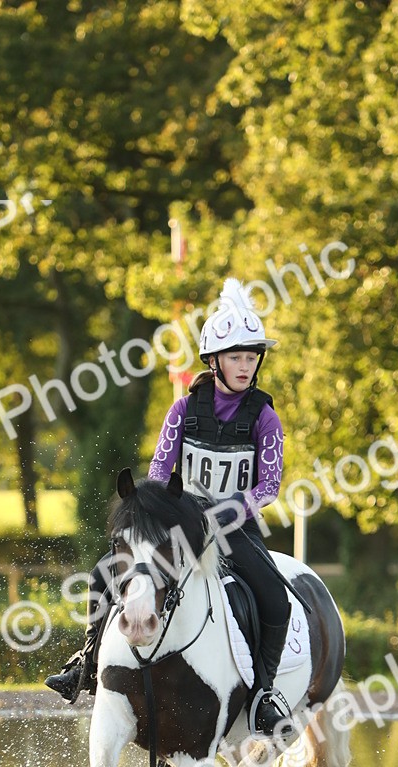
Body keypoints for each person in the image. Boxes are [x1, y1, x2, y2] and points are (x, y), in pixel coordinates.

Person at [46, 277, 291, 735]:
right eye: (236, 356)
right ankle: (86, 664)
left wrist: (221, 516)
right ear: (214, 361)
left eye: (251, 356)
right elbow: (160, 474)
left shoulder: (264, 417)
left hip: (235, 527)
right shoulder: (182, 410)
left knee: (276, 601)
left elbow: (268, 486)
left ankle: (263, 697)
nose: (245, 365)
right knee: (103, 574)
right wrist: (169, 516)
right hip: (179, 526)